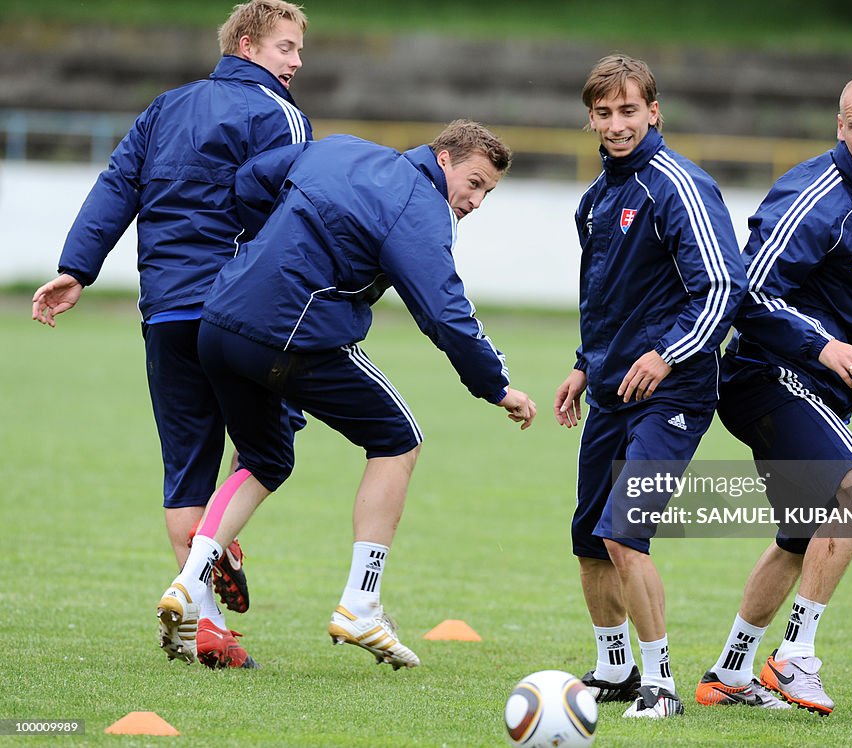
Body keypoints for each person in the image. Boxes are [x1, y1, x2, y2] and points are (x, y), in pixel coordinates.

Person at [155, 119, 537, 669]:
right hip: (287, 335)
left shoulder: (339, 149)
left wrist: (277, 246)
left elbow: (250, 181)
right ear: (444, 159)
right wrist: (496, 386)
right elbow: (445, 315)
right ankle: (361, 603)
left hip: (218, 323)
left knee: (265, 460)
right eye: (474, 183)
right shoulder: (420, 207)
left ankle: (189, 583)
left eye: (488, 193)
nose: (475, 201)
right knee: (398, 440)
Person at [30, 0, 312, 669]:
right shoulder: (279, 115)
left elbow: (116, 185)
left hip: (166, 313)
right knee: (272, 442)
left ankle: (206, 624)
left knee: (187, 465)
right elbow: (297, 212)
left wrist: (77, 269)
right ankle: (221, 542)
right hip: (242, 311)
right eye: (287, 48)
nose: (297, 62)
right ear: (247, 45)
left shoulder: (163, 107)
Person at [694, 73, 852, 714]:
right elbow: (746, 294)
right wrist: (824, 346)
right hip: (763, 375)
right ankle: (795, 656)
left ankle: (728, 674)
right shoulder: (813, 195)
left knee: (803, 534)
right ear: (839, 126)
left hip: (826, 388)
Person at [553, 55, 749, 719]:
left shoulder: (678, 185)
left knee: (623, 534)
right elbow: (601, 297)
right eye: (604, 113)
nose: (616, 124)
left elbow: (722, 285)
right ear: (590, 117)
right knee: (588, 539)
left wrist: (668, 355)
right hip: (612, 390)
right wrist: (584, 364)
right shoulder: (597, 198)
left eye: (629, 110)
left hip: (674, 394)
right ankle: (614, 667)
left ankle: (660, 685)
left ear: (653, 111)